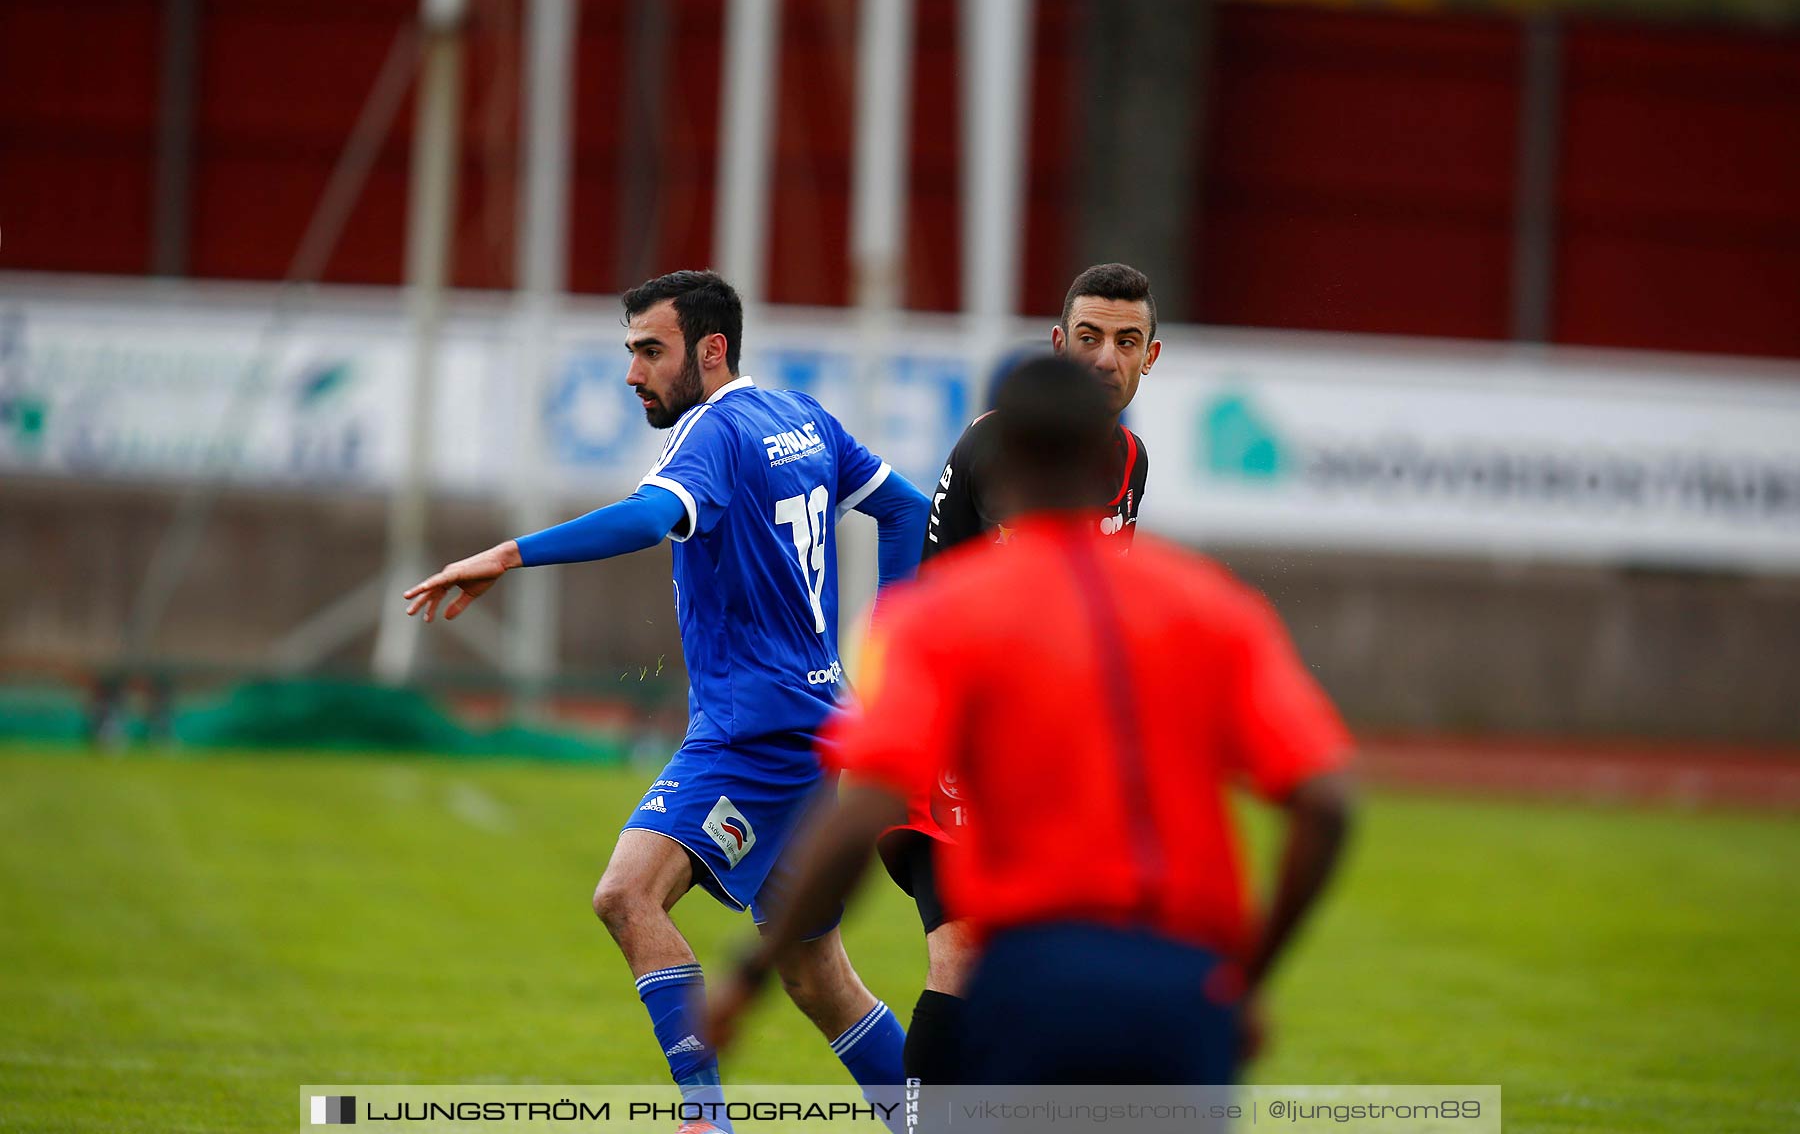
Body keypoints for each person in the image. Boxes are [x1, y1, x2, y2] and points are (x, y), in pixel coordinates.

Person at [706, 355, 1354, 1085]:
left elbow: (863, 815)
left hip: (1034, 980)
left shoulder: (945, 615)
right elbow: (1327, 805)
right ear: (1108, 456)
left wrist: (751, 974)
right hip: (1185, 991)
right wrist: (1248, 980)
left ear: (1000, 454)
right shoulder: (1214, 607)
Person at [402, 270, 930, 1134]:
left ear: (710, 351)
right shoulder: (798, 416)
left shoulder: (712, 433)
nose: (632, 372)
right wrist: (895, 660)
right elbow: (905, 509)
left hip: (752, 737)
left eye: (651, 350)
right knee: (815, 977)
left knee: (626, 894)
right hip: (818, 730)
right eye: (631, 351)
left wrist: (507, 554)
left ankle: (704, 1119)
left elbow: (650, 520)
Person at [895, 262, 1162, 1082]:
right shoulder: (991, 445)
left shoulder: (1131, 463)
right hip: (950, 747)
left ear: (1152, 357)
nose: (1104, 358)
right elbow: (928, 601)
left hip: (1044, 765)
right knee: (963, 960)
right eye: (1088, 338)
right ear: (1058, 343)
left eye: (1125, 341)